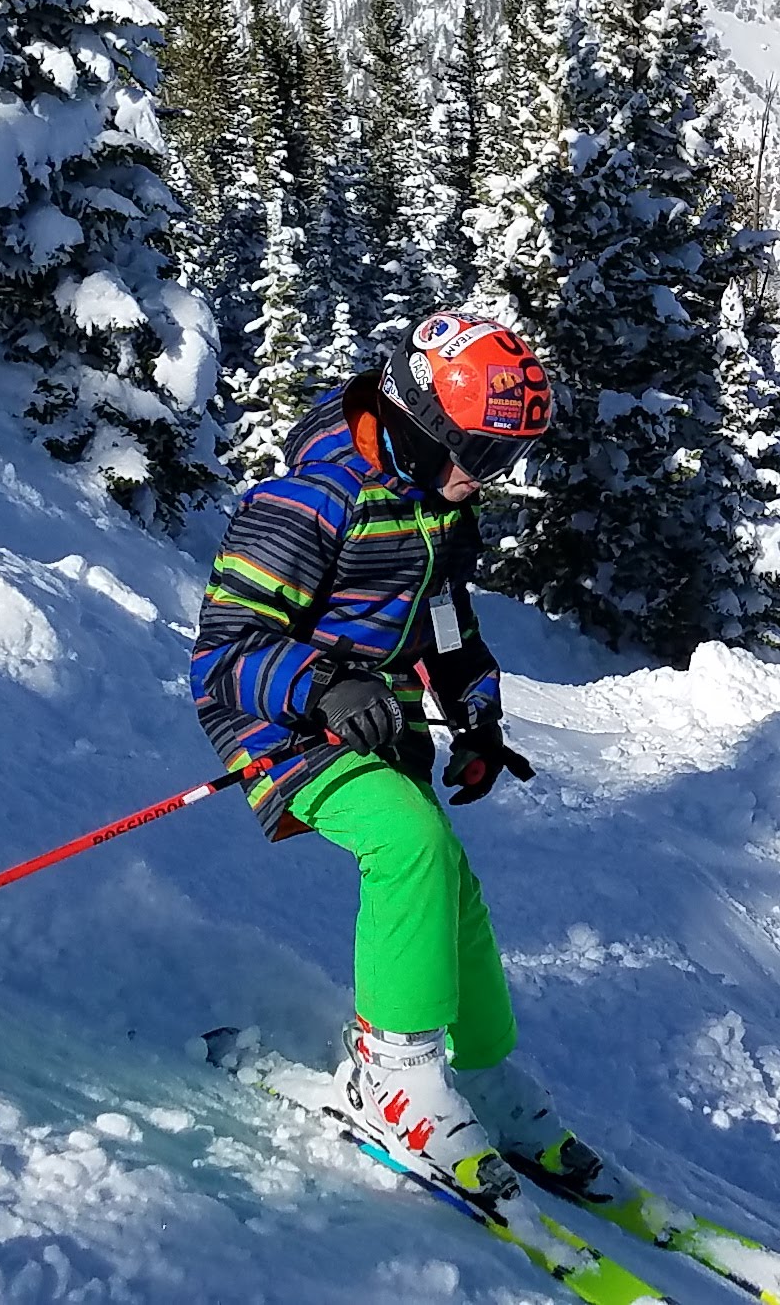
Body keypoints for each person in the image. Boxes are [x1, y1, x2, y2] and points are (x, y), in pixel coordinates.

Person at [188, 309, 605, 1204]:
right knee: (409, 842)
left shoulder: (438, 505)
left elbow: (448, 628)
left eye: (505, 458)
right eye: (477, 452)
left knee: (446, 873)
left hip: (377, 716)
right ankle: (393, 1076)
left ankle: (481, 1071)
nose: (483, 476)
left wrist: (478, 720)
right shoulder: (310, 501)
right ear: (416, 418)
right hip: (279, 722)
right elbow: (223, 652)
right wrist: (325, 688)